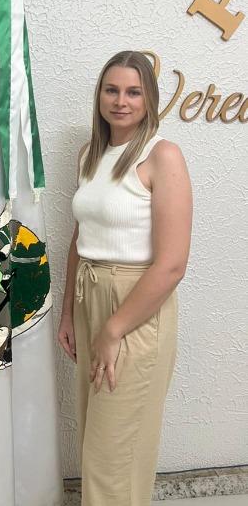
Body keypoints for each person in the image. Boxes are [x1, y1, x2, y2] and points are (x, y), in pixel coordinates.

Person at [57, 50, 192, 506]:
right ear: (99, 95)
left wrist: (114, 329)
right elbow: (81, 236)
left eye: (133, 92)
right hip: (88, 296)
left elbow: (172, 264)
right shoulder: (90, 155)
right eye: (111, 90)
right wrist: (68, 314)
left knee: (113, 456)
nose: (121, 101)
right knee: (94, 442)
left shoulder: (162, 155)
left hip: (136, 307)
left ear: (149, 98)